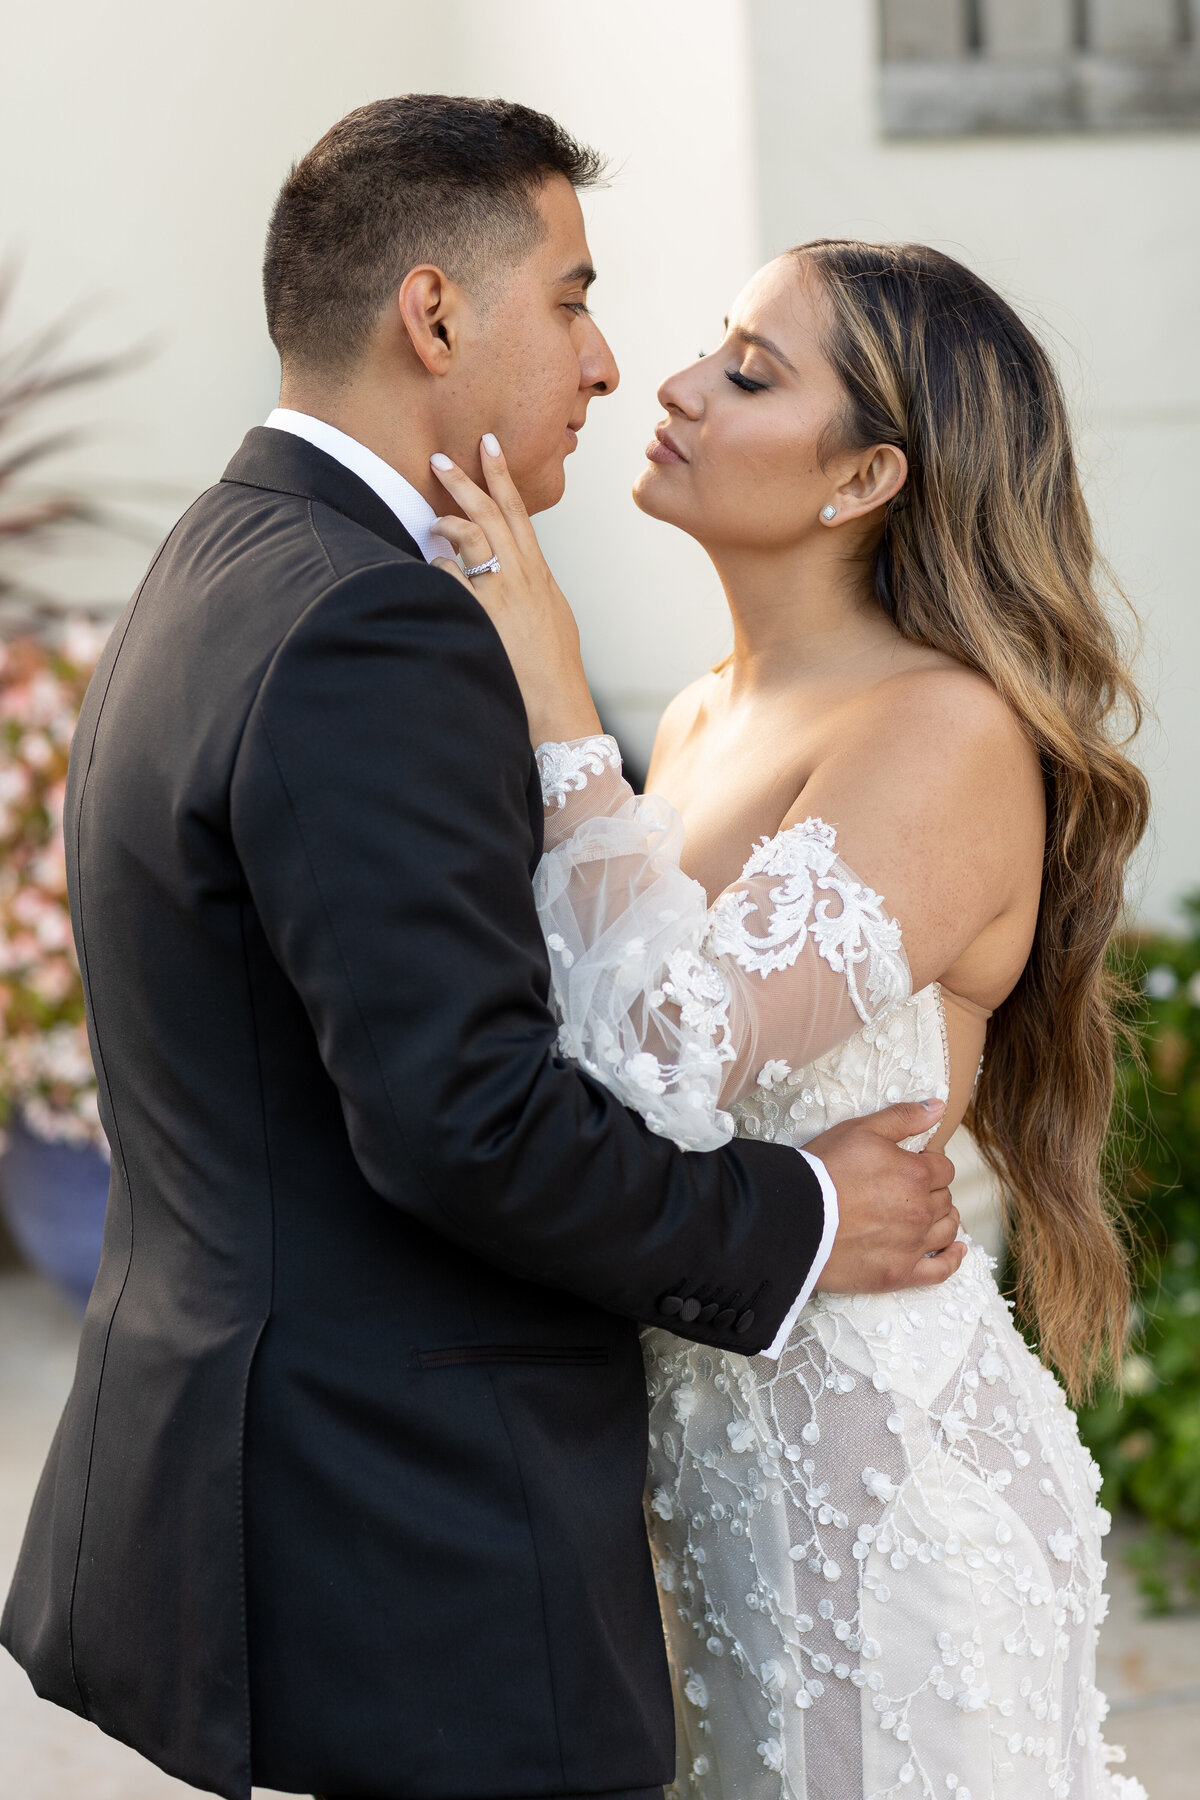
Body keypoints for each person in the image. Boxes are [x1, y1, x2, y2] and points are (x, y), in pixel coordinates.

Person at [0, 101, 963, 1800]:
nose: (612, 366)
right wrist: (801, 1213)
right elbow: (467, 1120)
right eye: (575, 300)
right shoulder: (376, 622)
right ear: (435, 316)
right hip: (410, 1530)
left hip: (281, 1491)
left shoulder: (222, 557)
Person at [427, 238, 1151, 1799]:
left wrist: (556, 699)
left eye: (752, 373)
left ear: (865, 476)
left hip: (887, 1515)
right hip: (708, 1482)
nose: (672, 385)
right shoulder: (696, 715)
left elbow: (658, 1062)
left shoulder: (944, 728)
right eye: (713, 349)